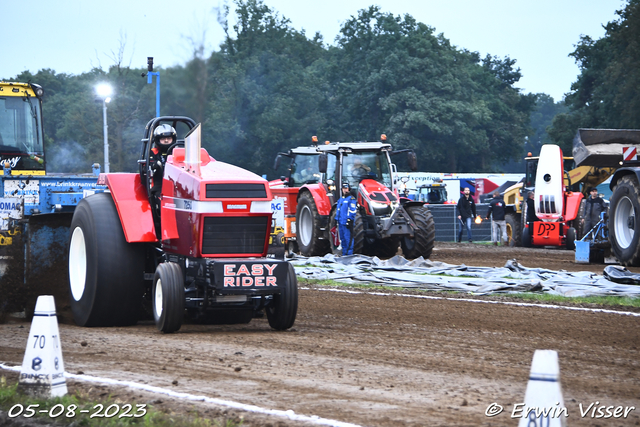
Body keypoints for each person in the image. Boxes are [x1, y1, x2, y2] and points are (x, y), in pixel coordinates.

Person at [149, 124, 177, 212]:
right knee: (161, 204)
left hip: (178, 185)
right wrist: (155, 164)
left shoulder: (178, 152)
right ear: (158, 140)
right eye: (163, 139)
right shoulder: (153, 153)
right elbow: (148, 165)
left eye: (168, 138)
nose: (166, 140)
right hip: (159, 185)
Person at [336, 183, 357, 255]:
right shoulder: (341, 199)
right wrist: (336, 219)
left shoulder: (351, 199)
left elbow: (353, 210)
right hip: (341, 222)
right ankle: (344, 255)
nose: (345, 190)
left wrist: (349, 220)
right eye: (343, 188)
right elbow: (338, 210)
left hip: (347, 223)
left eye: (346, 188)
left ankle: (349, 255)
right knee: (343, 240)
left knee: (348, 240)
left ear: (349, 189)